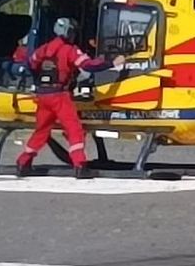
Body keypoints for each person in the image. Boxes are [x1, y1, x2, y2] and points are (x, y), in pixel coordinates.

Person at [16, 17, 124, 178]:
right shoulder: (69, 50)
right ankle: (80, 165)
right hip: (59, 96)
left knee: (42, 130)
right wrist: (112, 63)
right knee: (74, 129)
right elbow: (89, 66)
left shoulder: (43, 49)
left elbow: (31, 65)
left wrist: (40, 83)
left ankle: (23, 162)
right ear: (69, 33)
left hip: (42, 95)